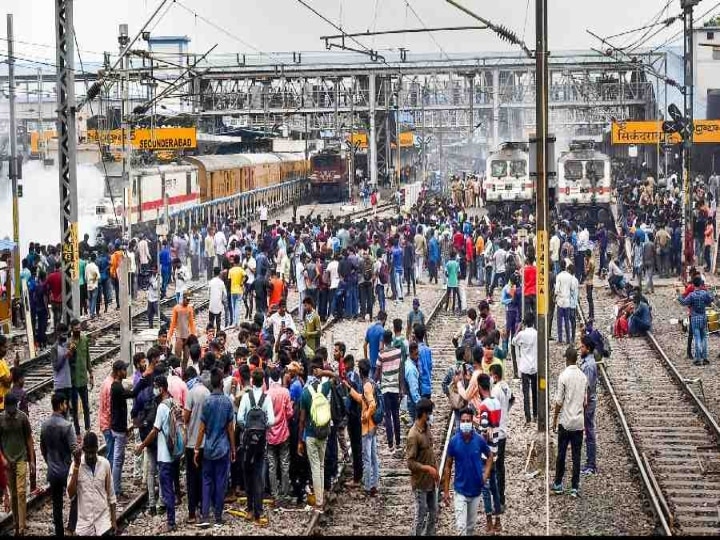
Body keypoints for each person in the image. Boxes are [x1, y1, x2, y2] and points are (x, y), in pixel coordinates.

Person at [135, 376, 181, 532]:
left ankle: (171, 522)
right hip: (174, 451)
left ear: (161, 389)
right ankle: (171, 519)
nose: (154, 390)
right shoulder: (173, 402)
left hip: (165, 455)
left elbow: (154, 431)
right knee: (169, 487)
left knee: (167, 488)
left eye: (155, 387)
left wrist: (141, 446)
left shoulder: (162, 407)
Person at [441, 407, 493, 536]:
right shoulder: (454, 441)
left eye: (467, 421)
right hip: (460, 490)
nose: (465, 423)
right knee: (461, 528)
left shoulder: (479, 440)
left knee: (470, 527)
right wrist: (446, 490)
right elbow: (448, 466)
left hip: (475, 490)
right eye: (463, 421)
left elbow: (490, 456)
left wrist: (485, 475)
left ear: (472, 421)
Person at [195, 368, 236, 527]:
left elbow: (202, 428)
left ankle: (205, 515)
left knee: (206, 481)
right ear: (221, 383)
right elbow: (230, 428)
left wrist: (197, 448)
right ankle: (218, 516)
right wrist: (233, 449)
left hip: (209, 449)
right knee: (221, 482)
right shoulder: (227, 402)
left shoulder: (207, 402)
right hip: (223, 448)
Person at [237, 368, 275, 525]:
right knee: (258, 474)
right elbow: (271, 420)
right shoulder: (266, 399)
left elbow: (239, 418)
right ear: (264, 382)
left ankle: (250, 508)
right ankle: (259, 511)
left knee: (248, 473)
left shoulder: (246, 397)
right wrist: (263, 427)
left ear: (252, 381)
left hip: (247, 442)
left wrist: (247, 427)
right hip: (260, 442)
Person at [551, 347, 588, 497]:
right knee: (577, 456)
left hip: (565, 422)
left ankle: (558, 483)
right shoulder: (583, 377)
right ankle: (574, 487)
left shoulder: (563, 376)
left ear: (567, 359)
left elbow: (559, 401)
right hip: (578, 422)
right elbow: (585, 402)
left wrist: (554, 419)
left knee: (561, 453)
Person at [40, 393, 79, 536]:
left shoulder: (44, 425)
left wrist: (49, 462)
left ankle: (59, 533)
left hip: (52, 470)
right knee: (76, 498)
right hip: (66, 470)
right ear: (61, 405)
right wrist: (76, 466)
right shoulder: (67, 426)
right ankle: (71, 527)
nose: (67, 406)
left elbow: (43, 448)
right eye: (66, 403)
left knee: (56, 504)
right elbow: (74, 449)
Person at [67, 431, 117, 536]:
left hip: (103, 523)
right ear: (83, 449)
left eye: (93, 452)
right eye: (87, 452)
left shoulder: (104, 464)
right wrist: (76, 466)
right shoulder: (76, 465)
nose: (90, 456)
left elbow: (111, 495)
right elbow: (71, 494)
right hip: (85, 525)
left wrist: (114, 521)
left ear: (97, 449)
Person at [0, 393, 35, 536]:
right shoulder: (1, 419)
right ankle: (15, 522)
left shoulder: (22, 418)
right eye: (9, 408)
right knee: (14, 494)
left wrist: (31, 460)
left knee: (21, 492)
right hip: (8, 461)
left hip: (21, 458)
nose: (11, 411)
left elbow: (29, 440)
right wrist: (2, 459)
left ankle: (21, 526)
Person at [344, 358, 379, 497]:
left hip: (367, 426)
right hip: (372, 426)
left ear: (360, 370)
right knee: (373, 457)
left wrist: (365, 416)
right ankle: (374, 483)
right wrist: (350, 389)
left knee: (368, 457)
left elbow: (372, 404)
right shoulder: (369, 383)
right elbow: (361, 399)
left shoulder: (366, 386)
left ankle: (368, 486)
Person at [406, 398, 438, 536]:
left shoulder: (426, 429)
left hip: (430, 481)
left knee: (433, 512)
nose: (431, 416)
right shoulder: (413, 435)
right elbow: (410, 463)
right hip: (420, 483)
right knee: (420, 515)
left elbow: (431, 451)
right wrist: (427, 468)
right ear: (424, 414)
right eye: (430, 413)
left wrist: (435, 470)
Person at [182, 366, 209, 524]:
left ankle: (192, 513)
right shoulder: (207, 393)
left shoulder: (191, 393)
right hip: (205, 442)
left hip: (192, 443)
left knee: (191, 477)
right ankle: (203, 507)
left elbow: (186, 418)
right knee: (203, 476)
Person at [266, 367, 293, 503]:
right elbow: (289, 413)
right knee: (284, 463)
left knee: (272, 464)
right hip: (283, 432)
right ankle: (285, 491)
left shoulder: (267, 394)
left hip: (270, 434)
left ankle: (274, 492)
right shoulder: (285, 392)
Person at [109, 360, 134, 499]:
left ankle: (116, 488)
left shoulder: (116, 386)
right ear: (118, 371)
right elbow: (130, 394)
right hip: (118, 429)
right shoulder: (117, 387)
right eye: (124, 369)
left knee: (119, 458)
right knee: (118, 460)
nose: (125, 372)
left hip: (119, 427)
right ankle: (116, 490)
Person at [678, 276, 714, 365]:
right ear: (701, 284)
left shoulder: (691, 295)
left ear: (693, 285)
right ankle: (705, 358)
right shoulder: (704, 293)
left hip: (694, 318)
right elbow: (711, 299)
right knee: (704, 338)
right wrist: (711, 292)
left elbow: (683, 302)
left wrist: (679, 296)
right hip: (703, 317)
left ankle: (698, 359)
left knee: (697, 338)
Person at [376, 330, 402, 454]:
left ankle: (390, 444)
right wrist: (402, 388)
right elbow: (401, 370)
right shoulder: (398, 352)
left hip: (386, 388)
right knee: (396, 415)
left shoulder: (382, 355)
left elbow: (377, 371)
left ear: (384, 341)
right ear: (391, 339)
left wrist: (374, 382)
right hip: (396, 388)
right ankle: (398, 443)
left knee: (388, 416)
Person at [69, 319, 94, 438]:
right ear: (72, 330)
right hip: (73, 380)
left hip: (83, 377)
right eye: (76, 329)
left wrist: (91, 374)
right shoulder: (69, 343)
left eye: (79, 328)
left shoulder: (84, 340)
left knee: (86, 405)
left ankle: (88, 427)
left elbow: (88, 357)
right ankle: (77, 431)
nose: (78, 331)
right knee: (74, 408)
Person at [512, 314, 538, 424]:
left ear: (525, 323)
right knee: (535, 392)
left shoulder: (522, 334)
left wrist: (518, 328)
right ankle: (536, 414)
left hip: (525, 367)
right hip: (535, 366)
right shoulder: (537, 334)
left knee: (526, 393)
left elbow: (513, 341)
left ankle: (528, 417)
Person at [578, 336, 598, 476]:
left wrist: (583, 403)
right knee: (588, 432)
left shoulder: (589, 366)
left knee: (589, 433)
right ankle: (589, 463)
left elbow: (588, 387)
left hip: (588, 404)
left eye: (582, 347)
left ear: (588, 349)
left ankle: (591, 465)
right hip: (588, 402)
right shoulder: (587, 362)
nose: (581, 349)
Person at [168, 293, 197, 367]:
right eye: (187, 300)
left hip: (187, 336)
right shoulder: (176, 308)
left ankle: (184, 372)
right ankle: (178, 372)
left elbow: (191, 323)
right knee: (178, 357)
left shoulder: (190, 308)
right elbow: (173, 323)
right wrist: (170, 335)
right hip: (179, 336)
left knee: (186, 357)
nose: (188, 301)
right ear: (183, 298)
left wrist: (194, 335)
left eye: (189, 300)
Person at [364, 310, 387, 379]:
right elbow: (381, 348)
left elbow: (364, 346)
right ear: (384, 320)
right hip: (379, 364)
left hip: (371, 362)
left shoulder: (370, 329)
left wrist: (366, 359)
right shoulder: (382, 331)